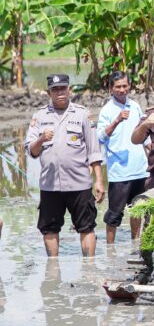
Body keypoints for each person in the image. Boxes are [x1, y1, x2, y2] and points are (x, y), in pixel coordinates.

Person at [25, 74, 104, 257]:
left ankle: (89, 267)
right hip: (50, 184)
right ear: (48, 92)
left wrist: (99, 181)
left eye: (63, 88)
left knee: (87, 226)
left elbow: (94, 151)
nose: (60, 93)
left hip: (79, 183)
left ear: (69, 90)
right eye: (55, 89)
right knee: (49, 228)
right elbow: (31, 151)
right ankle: (53, 268)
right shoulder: (39, 116)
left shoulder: (83, 114)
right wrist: (42, 138)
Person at [97, 71, 149, 244]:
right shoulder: (107, 110)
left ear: (129, 86)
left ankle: (135, 242)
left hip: (140, 169)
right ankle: (110, 249)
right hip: (119, 171)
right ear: (111, 88)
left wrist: (151, 148)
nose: (122, 90)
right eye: (118, 86)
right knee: (114, 214)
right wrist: (117, 120)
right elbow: (101, 137)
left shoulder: (135, 106)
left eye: (125, 86)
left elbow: (143, 132)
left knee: (137, 210)